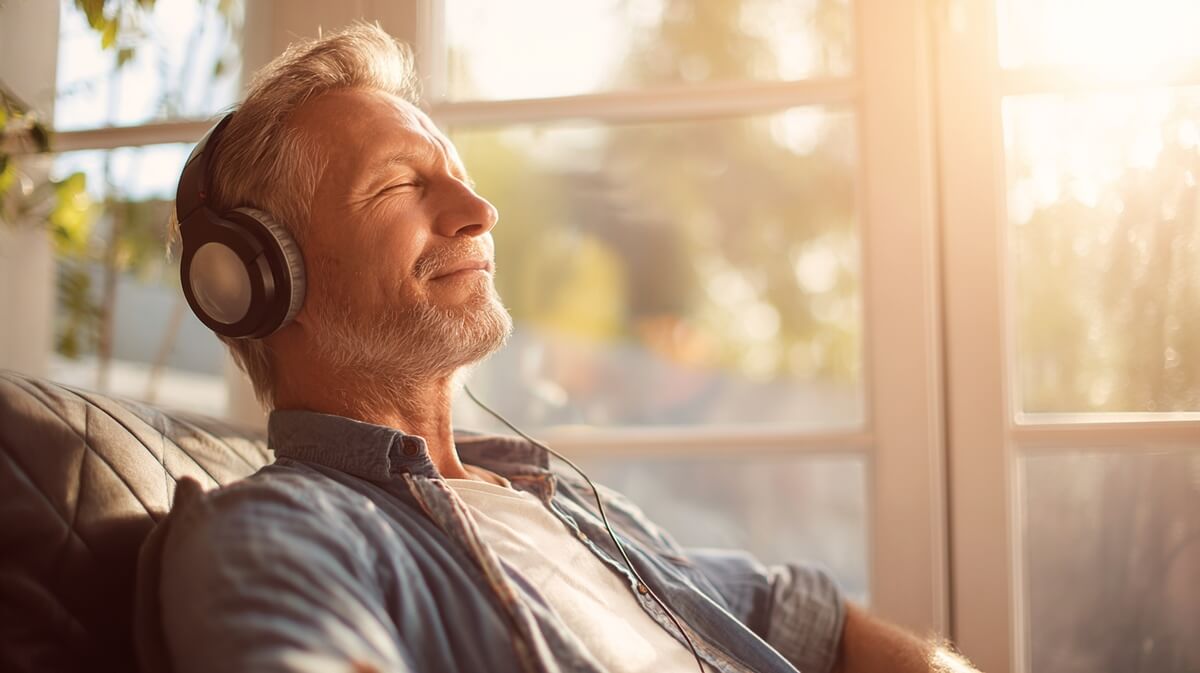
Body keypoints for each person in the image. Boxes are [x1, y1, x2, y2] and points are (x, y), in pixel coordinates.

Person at [144, 22, 980, 673]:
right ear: (260, 276)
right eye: (404, 184)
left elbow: (816, 622)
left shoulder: (561, 502)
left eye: (462, 175)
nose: (480, 209)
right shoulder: (282, 533)